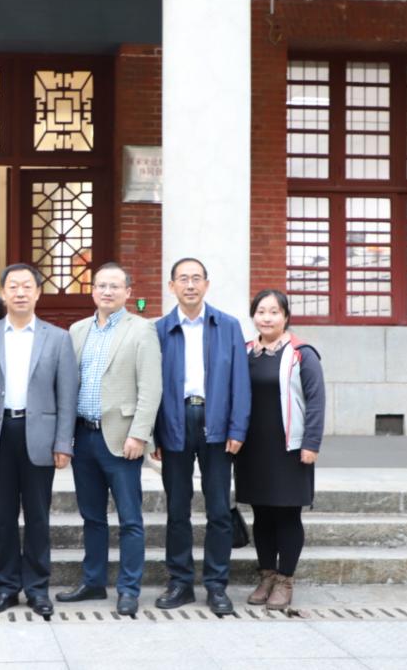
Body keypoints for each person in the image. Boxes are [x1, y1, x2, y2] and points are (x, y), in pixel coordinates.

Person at [56, 262, 161, 617]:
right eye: (101, 285)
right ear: (92, 290)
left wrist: (139, 434)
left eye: (115, 286)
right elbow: (67, 385)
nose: (107, 291)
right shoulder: (77, 330)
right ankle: (93, 581)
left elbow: (151, 388)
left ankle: (129, 589)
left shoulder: (142, 329)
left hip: (121, 439)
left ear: (128, 292)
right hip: (83, 437)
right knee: (92, 517)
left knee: (130, 519)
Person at [0, 264, 78, 619]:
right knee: (3, 516)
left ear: (38, 292)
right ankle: (5, 587)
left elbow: (67, 395)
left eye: (26, 286)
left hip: (40, 436)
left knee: (38, 516)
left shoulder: (58, 338)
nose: (20, 292)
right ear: (3, 293)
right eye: (13, 286)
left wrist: (64, 442)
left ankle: (37, 588)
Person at [153, 257, 250, 616]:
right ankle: (180, 582)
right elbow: (150, 384)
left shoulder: (227, 326)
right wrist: (154, 434)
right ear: (172, 286)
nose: (190, 285)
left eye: (196, 278)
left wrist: (238, 428)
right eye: (183, 279)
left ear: (207, 285)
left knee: (219, 510)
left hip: (216, 423)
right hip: (175, 422)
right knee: (177, 509)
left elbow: (240, 380)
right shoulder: (159, 330)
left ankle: (216, 585)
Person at [237, 289, 325, 611]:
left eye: (274, 312)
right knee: (261, 514)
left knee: (287, 515)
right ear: (253, 316)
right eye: (261, 311)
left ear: (286, 316)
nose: (267, 318)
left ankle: (285, 580)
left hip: (290, 448)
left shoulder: (302, 353)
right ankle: (267, 575)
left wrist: (311, 443)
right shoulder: (245, 352)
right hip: (253, 449)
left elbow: (316, 401)